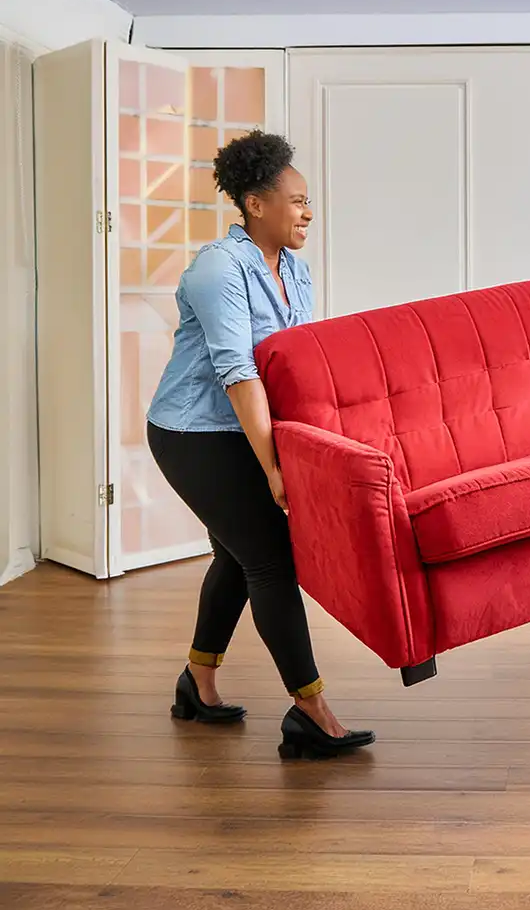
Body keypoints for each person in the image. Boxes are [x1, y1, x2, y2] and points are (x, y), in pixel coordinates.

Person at [146, 129, 375, 759]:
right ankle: (311, 712)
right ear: (255, 203)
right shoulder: (220, 268)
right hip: (193, 433)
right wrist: (274, 466)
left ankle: (197, 684)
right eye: (296, 200)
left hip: (246, 427)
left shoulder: (294, 269)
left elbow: (293, 363)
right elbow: (238, 371)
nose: (308, 212)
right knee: (272, 558)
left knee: (237, 558)